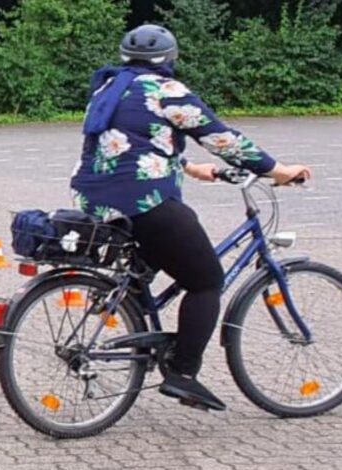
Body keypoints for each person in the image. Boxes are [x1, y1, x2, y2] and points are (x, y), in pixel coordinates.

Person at [70, 24, 311, 411]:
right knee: (205, 279)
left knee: (153, 260)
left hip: (96, 201)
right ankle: (183, 373)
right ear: (170, 59)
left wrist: (191, 167)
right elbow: (223, 140)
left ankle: (139, 325)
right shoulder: (167, 91)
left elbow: (132, 141)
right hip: (143, 202)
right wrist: (277, 170)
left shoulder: (109, 87)